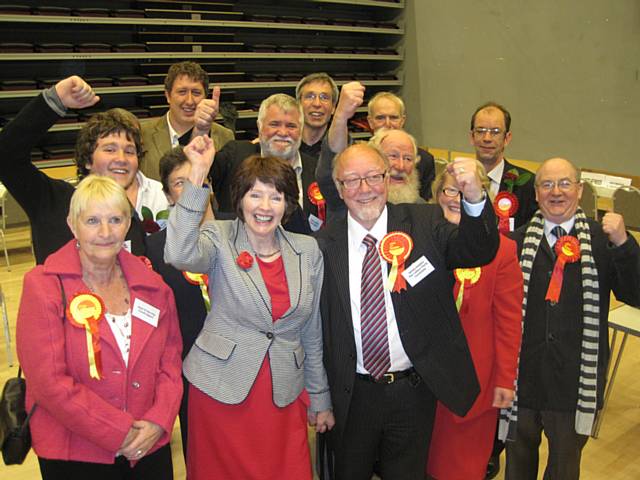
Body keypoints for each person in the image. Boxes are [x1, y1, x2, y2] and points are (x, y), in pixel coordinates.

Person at [316, 142, 499, 480]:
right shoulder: (322, 245)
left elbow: (477, 250)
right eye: (352, 180)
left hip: (412, 392)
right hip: (352, 394)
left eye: (373, 176)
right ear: (339, 189)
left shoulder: (425, 221)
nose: (365, 189)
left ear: (387, 179)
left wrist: (474, 196)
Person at [164, 135, 334, 480]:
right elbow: (178, 253)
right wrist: (197, 175)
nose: (265, 206)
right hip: (221, 390)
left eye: (276, 196)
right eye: (255, 194)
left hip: (283, 392)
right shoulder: (218, 237)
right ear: (240, 199)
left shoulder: (307, 250)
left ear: (288, 205)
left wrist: (320, 396)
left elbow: (311, 330)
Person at [16, 175, 183, 479]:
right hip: (75, 453)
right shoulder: (43, 287)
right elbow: (49, 383)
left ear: (127, 224)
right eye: (92, 220)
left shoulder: (155, 288)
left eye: (115, 219)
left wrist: (158, 421)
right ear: (72, 224)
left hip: (147, 449)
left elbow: (170, 365)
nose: (105, 232)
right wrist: (119, 432)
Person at [502, 157, 640, 480]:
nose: (556, 192)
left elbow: (635, 295)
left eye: (565, 183)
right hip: (523, 379)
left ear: (579, 190)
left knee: (564, 468)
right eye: (547, 184)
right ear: (536, 194)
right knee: (518, 466)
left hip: (575, 382)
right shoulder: (515, 242)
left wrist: (624, 244)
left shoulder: (603, 240)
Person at [0, 75, 167, 263]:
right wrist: (55, 100)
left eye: (129, 151)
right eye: (110, 149)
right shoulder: (51, 201)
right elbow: (6, 156)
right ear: (88, 159)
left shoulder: (131, 220)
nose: (121, 159)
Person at [426, 166, 523, 480]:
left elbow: (509, 322)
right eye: (449, 190)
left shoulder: (502, 251)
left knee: (461, 467)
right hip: (423, 383)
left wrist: (505, 379)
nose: (456, 198)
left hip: (475, 383)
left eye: (465, 191)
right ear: (437, 195)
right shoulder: (416, 242)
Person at [145, 145, 215, 459]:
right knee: (201, 453)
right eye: (179, 183)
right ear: (169, 196)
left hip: (246, 363)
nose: (190, 189)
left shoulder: (240, 229)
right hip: (189, 369)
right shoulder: (156, 248)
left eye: (197, 179)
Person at [210, 93, 322, 233]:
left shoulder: (318, 170)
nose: (282, 132)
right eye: (274, 124)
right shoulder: (235, 155)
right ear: (260, 126)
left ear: (301, 129)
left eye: (291, 126)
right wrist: (201, 130)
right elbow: (194, 174)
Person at [140, 61, 234, 181]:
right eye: (182, 92)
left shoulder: (224, 137)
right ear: (168, 96)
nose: (189, 101)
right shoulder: (143, 134)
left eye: (196, 93)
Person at [469, 102, 537, 231]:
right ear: (472, 137)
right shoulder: (457, 181)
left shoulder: (528, 185)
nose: (487, 138)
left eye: (495, 132)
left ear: (507, 138)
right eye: (480, 131)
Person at [367, 90, 436, 200]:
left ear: (402, 121)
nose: (388, 124)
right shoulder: (358, 158)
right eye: (380, 118)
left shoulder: (425, 160)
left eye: (394, 117)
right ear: (370, 122)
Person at [295, 72, 339, 160]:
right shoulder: (285, 145)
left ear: (333, 107)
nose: (317, 104)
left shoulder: (343, 148)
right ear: (299, 104)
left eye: (324, 97)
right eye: (310, 96)